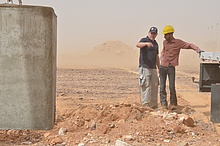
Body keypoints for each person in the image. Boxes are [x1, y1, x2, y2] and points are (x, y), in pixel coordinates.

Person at [160, 25, 204, 110]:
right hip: (163, 67)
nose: (164, 36)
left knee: (171, 87)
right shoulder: (164, 42)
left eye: (166, 34)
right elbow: (163, 50)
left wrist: (198, 50)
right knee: (162, 87)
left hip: (171, 67)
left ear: (170, 34)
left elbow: (189, 45)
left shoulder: (178, 42)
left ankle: (173, 104)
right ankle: (163, 104)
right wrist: (162, 57)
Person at [136, 26, 160, 109]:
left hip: (153, 68)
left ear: (156, 34)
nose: (152, 35)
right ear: (149, 33)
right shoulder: (144, 40)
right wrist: (146, 44)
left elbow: (157, 56)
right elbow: (137, 45)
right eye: (151, 33)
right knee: (146, 85)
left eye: (154, 33)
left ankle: (153, 104)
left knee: (154, 85)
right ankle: (145, 104)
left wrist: (159, 68)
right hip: (145, 67)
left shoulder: (156, 44)